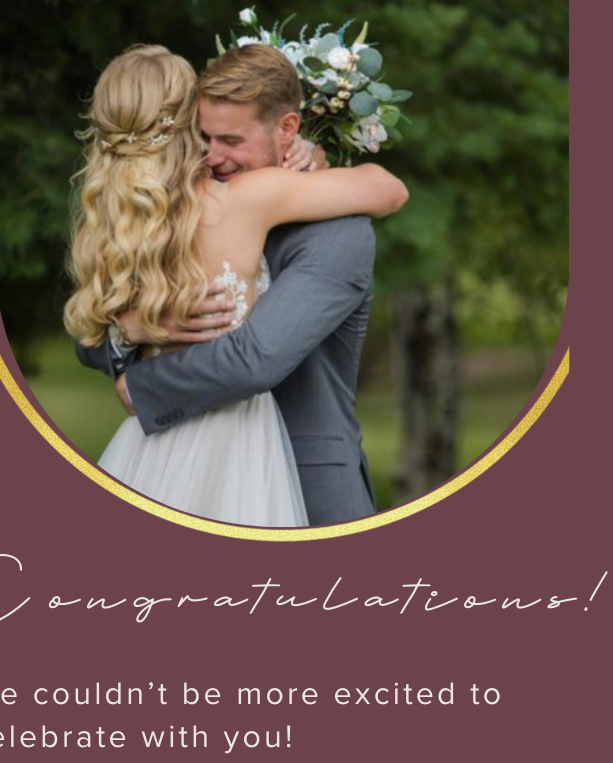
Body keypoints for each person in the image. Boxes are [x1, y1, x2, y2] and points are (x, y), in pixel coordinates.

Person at [69, 45, 408, 526]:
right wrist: (133, 330)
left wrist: (140, 388)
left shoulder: (339, 231)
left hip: (305, 482)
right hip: (172, 451)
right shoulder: (168, 212)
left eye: (230, 139)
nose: (212, 155)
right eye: (202, 136)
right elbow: (90, 334)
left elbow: (256, 359)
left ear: (288, 130)